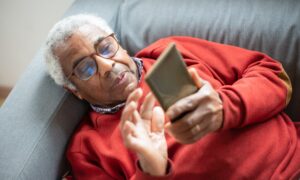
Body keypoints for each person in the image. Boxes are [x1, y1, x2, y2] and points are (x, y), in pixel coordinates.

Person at [44, 14, 300, 179]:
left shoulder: (167, 51)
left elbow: (274, 75)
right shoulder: (87, 148)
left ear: (118, 43)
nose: (107, 66)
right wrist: (151, 171)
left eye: (106, 48)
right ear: (73, 89)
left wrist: (225, 106)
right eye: (85, 68)